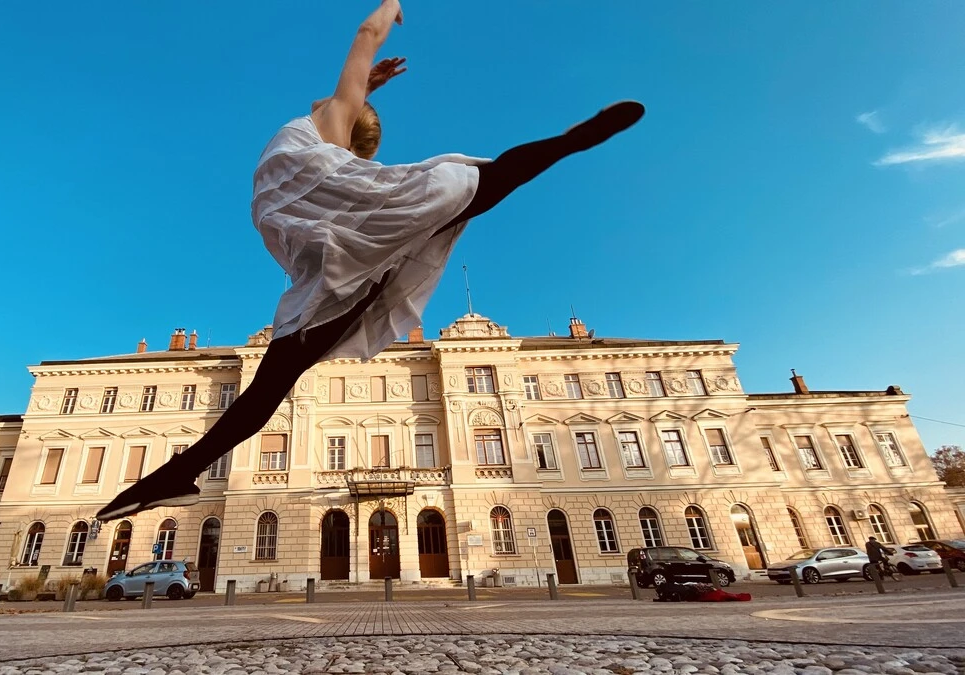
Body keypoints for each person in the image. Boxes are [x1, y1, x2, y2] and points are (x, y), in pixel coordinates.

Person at [96, 0, 645, 521]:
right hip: (357, 258)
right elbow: (352, 77)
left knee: (267, 391)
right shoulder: (328, 134)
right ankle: (571, 140)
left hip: (325, 273)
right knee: (491, 178)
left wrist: (387, 6)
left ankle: (175, 473)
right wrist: (366, 84)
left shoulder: (310, 135)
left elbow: (364, 37)